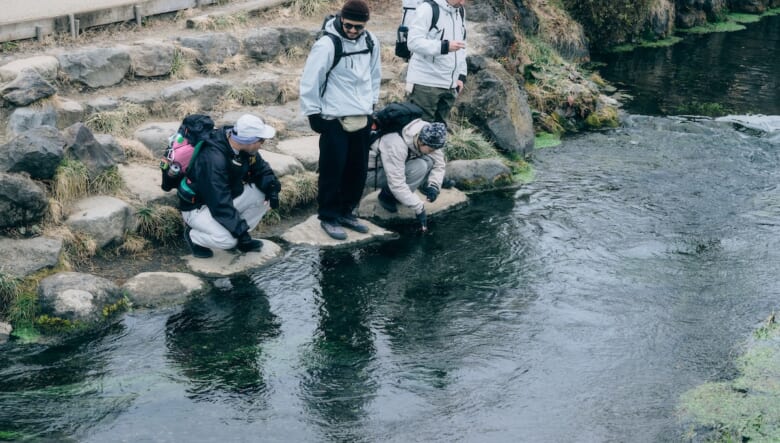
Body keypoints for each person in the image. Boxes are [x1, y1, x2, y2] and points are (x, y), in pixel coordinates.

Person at [299, 0, 382, 240]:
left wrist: (372, 106)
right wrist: (313, 114)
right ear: (340, 20)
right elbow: (310, 80)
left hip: (362, 115)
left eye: (358, 27)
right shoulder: (327, 44)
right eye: (349, 26)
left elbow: (374, 75)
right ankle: (328, 215)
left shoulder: (371, 41)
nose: (353, 31)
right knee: (332, 170)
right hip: (334, 117)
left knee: (357, 169)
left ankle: (347, 211)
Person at [180, 114, 281, 258]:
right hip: (198, 208)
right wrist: (241, 234)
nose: (263, 143)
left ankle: (235, 231)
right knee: (228, 241)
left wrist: (272, 190)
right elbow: (219, 203)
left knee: (262, 193)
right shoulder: (214, 159)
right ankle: (193, 235)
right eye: (262, 140)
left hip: (223, 198)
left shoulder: (242, 148)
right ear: (250, 141)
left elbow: (262, 170)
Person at [368, 119, 447, 232]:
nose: (433, 151)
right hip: (369, 172)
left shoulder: (429, 133)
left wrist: (434, 186)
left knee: (429, 160)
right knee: (419, 166)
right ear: (421, 142)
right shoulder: (396, 144)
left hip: (390, 165)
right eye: (431, 149)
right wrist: (419, 207)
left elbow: (439, 163)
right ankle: (387, 195)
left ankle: (420, 186)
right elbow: (397, 184)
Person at [405, 0, 467, 124]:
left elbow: (462, 45)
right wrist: (444, 46)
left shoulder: (460, 11)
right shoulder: (427, 9)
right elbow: (413, 42)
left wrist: (461, 75)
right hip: (425, 85)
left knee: (438, 135)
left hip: (449, 86)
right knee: (418, 133)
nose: (463, 2)